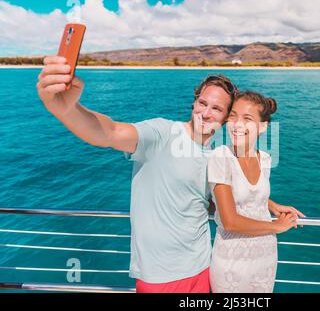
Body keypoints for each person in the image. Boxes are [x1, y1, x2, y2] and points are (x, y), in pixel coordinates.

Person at [36, 55, 238, 293]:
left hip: (204, 266)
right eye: (202, 103)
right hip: (160, 275)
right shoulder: (163, 134)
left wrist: (267, 205)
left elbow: (209, 201)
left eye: (216, 109)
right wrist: (66, 110)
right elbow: (110, 132)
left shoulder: (215, 154)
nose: (205, 113)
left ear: (225, 118)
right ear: (194, 103)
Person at [208, 91, 306, 293]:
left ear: (262, 127)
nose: (237, 124)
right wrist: (277, 227)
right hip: (231, 261)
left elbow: (249, 192)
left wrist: (271, 205)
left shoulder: (265, 160)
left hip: (265, 256)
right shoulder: (221, 157)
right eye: (233, 116)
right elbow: (230, 221)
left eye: (247, 118)